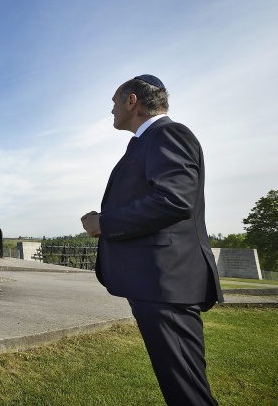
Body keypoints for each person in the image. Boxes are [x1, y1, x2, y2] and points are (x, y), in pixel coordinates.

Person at [81, 74, 222, 405]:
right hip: (157, 286)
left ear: (132, 102)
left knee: (187, 392)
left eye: (114, 103)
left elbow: (174, 200)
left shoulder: (168, 133)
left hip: (165, 285)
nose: (112, 111)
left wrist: (104, 223)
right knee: (182, 388)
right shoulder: (148, 141)